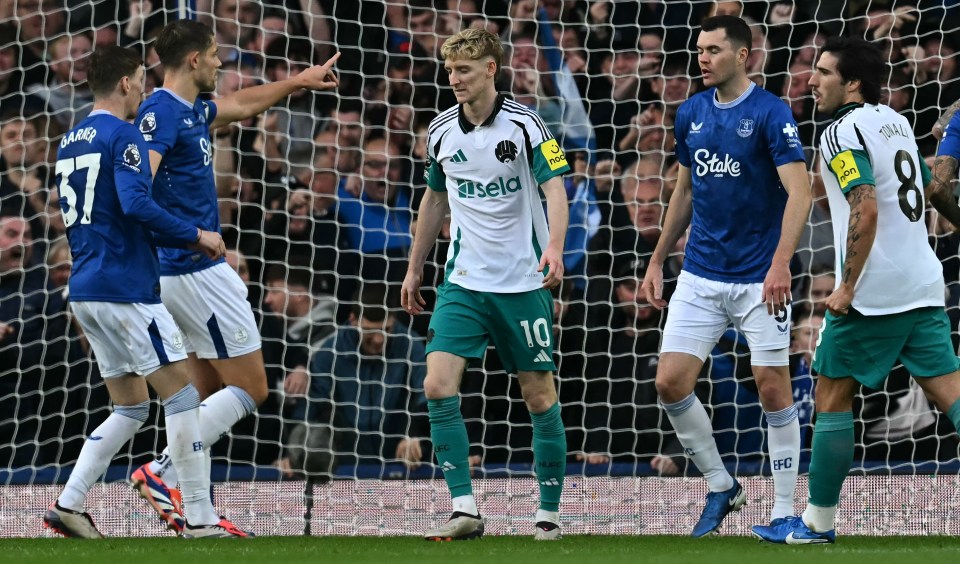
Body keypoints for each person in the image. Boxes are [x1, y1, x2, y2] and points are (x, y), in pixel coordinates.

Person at [127, 19, 340, 532]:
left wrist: (298, 81)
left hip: (181, 274)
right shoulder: (159, 110)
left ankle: (198, 516)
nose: (223, 62)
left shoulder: (191, 110)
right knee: (252, 389)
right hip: (196, 270)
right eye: (216, 53)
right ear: (195, 60)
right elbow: (139, 190)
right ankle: (160, 470)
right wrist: (193, 235)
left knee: (196, 396)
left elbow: (243, 105)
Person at [753, 36, 960, 545]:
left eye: (823, 72)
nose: (811, 78)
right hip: (922, 283)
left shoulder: (841, 132)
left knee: (831, 397)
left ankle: (818, 525)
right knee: (952, 396)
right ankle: (817, 522)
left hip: (875, 292)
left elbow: (864, 206)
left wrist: (845, 287)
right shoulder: (895, 121)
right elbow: (934, 189)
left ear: (852, 84)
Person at [41, 45, 241, 539]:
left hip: (85, 286)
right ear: (127, 84)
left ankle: (69, 503)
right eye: (140, 82)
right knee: (182, 397)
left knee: (131, 406)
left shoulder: (70, 139)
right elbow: (134, 203)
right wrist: (198, 234)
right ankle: (199, 518)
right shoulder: (123, 134)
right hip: (125, 287)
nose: (145, 92)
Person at [639, 15, 812, 537]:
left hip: (760, 274)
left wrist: (781, 263)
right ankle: (721, 484)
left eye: (713, 50)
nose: (703, 58)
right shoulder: (690, 112)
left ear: (743, 55)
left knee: (772, 385)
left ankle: (784, 511)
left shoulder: (771, 113)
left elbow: (800, 193)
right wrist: (656, 259)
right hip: (701, 272)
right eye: (699, 50)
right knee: (669, 382)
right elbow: (684, 191)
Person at [401, 28, 570, 541]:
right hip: (464, 281)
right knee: (436, 385)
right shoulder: (440, 132)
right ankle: (464, 508)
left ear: (491, 69)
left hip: (522, 281)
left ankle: (548, 513)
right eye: (450, 70)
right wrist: (415, 267)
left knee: (539, 396)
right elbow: (434, 201)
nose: (454, 79)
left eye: (465, 70)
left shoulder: (526, 126)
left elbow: (556, 188)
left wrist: (555, 247)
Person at [281, 283, 427, 478]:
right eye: (370, 330)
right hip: (346, 467)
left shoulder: (411, 345)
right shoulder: (330, 352)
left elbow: (426, 396)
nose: (378, 339)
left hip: (402, 463)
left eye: (387, 329)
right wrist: (293, 453)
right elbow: (310, 406)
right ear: (353, 320)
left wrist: (414, 435)